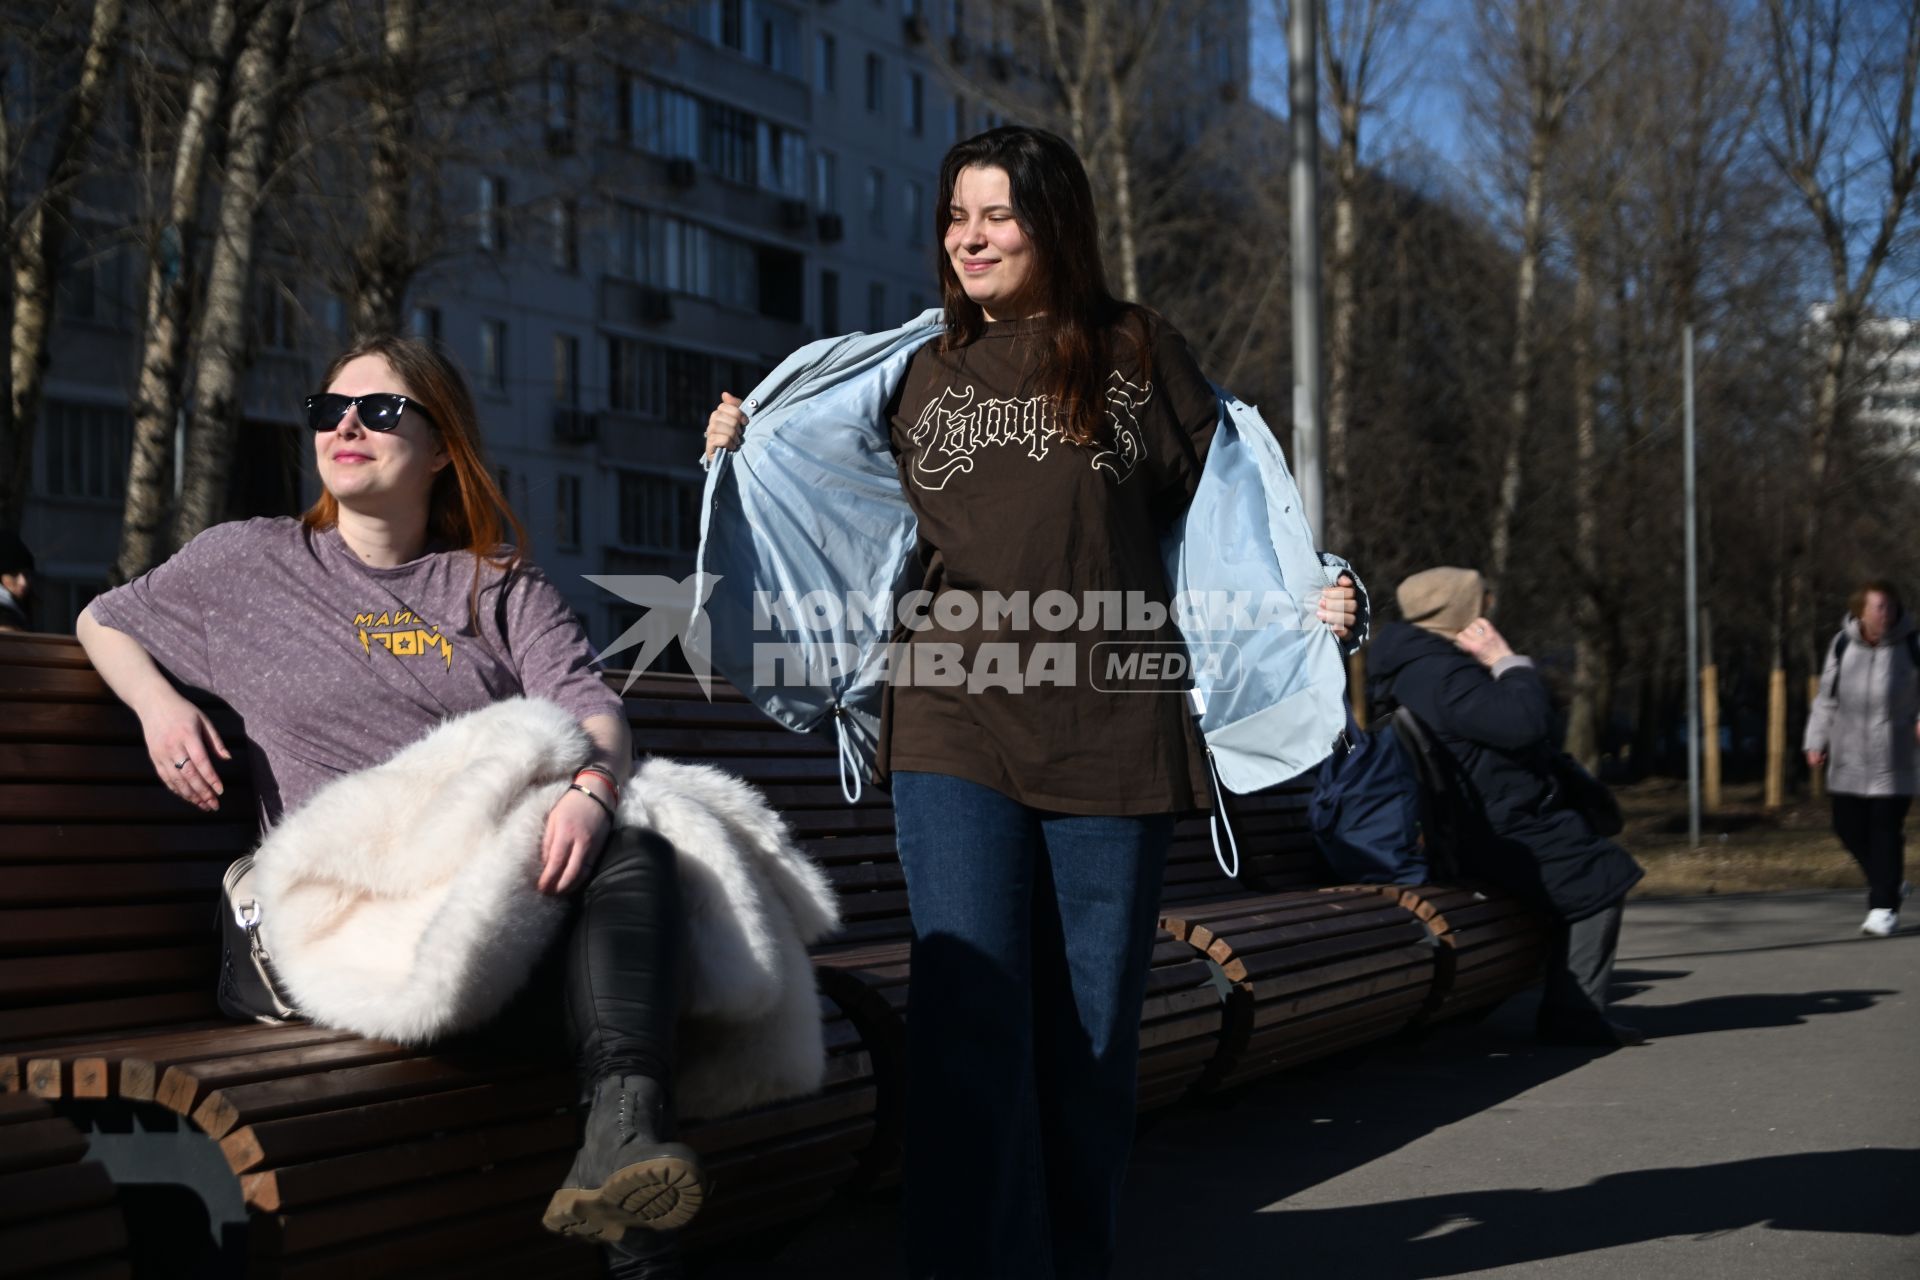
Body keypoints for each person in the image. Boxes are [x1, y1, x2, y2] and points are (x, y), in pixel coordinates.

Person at [704, 126, 1358, 1279]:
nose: (971, 235)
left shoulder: (1134, 348)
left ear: (1056, 223)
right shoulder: (911, 369)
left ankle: (1070, 1255)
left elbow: (1231, 507)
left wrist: (1313, 595)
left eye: (999, 214)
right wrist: (747, 444)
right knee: (970, 1009)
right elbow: (823, 485)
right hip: (954, 710)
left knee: (1089, 1033)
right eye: (958, 214)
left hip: (1113, 719)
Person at [75, 336, 695, 1278]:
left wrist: (591, 793)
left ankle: (622, 1149)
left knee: (634, 853)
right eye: (329, 411)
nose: (348, 426)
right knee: (646, 1007)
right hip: (346, 912)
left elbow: (593, 712)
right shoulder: (245, 563)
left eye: (382, 410)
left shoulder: (496, 586)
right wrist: (159, 705)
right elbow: (104, 615)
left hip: (481, 901)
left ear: (444, 446)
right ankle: (634, 1204)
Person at [1367, 566, 1646, 1049]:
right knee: (1600, 876)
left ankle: (1566, 1007)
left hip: (1481, 816)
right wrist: (1507, 661)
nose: (1491, 607)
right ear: (1461, 610)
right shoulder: (1444, 673)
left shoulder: (1418, 663)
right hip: (1495, 827)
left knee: (1584, 861)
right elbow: (1524, 723)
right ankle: (1574, 1016)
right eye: (1483, 599)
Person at [1805, 579, 1919, 937]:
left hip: (1895, 755)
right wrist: (1815, 740)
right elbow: (1826, 698)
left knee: (1884, 829)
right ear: (1860, 612)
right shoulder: (1842, 645)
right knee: (1847, 826)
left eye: (1889, 606)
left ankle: (1882, 907)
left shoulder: (1912, 645)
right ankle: (1888, 880)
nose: (1884, 614)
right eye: (1877, 607)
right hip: (1849, 755)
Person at [0, 530, 33, 631]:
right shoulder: (4, 618)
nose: (23, 582)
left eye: (26, 574)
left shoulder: (18, 611)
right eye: (13, 574)